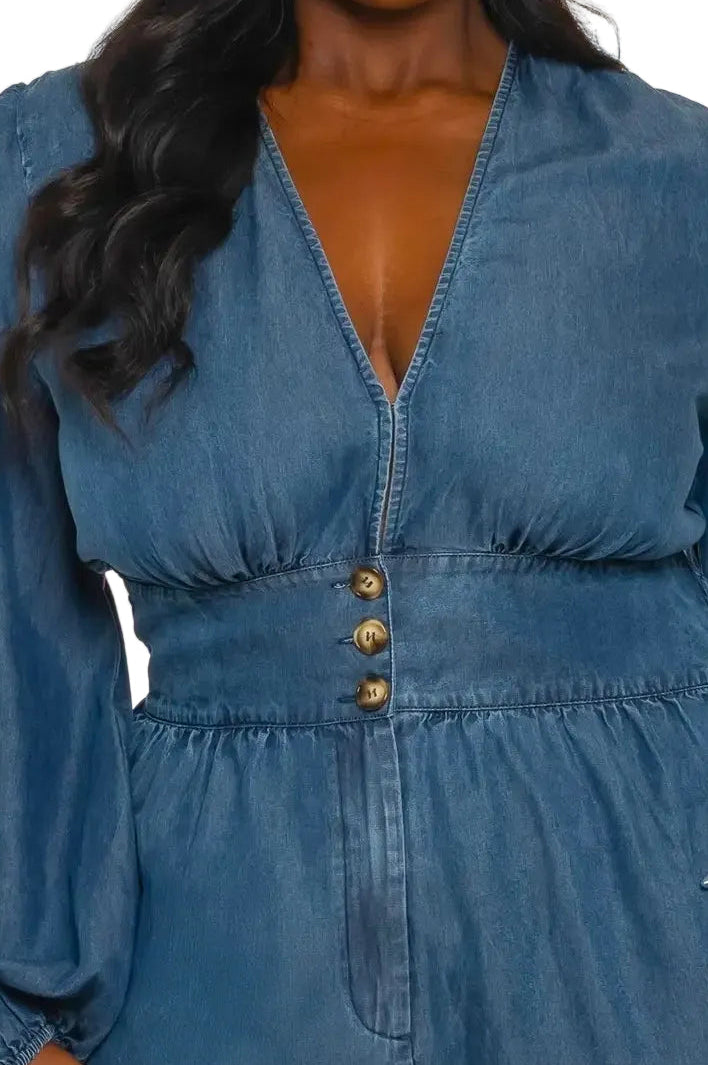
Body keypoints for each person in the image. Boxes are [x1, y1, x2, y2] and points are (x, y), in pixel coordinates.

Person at [1, 0, 708, 1062]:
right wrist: (26, 1025)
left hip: (630, 956)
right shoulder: (58, 162)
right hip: (211, 965)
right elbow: (14, 627)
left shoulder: (676, 178)